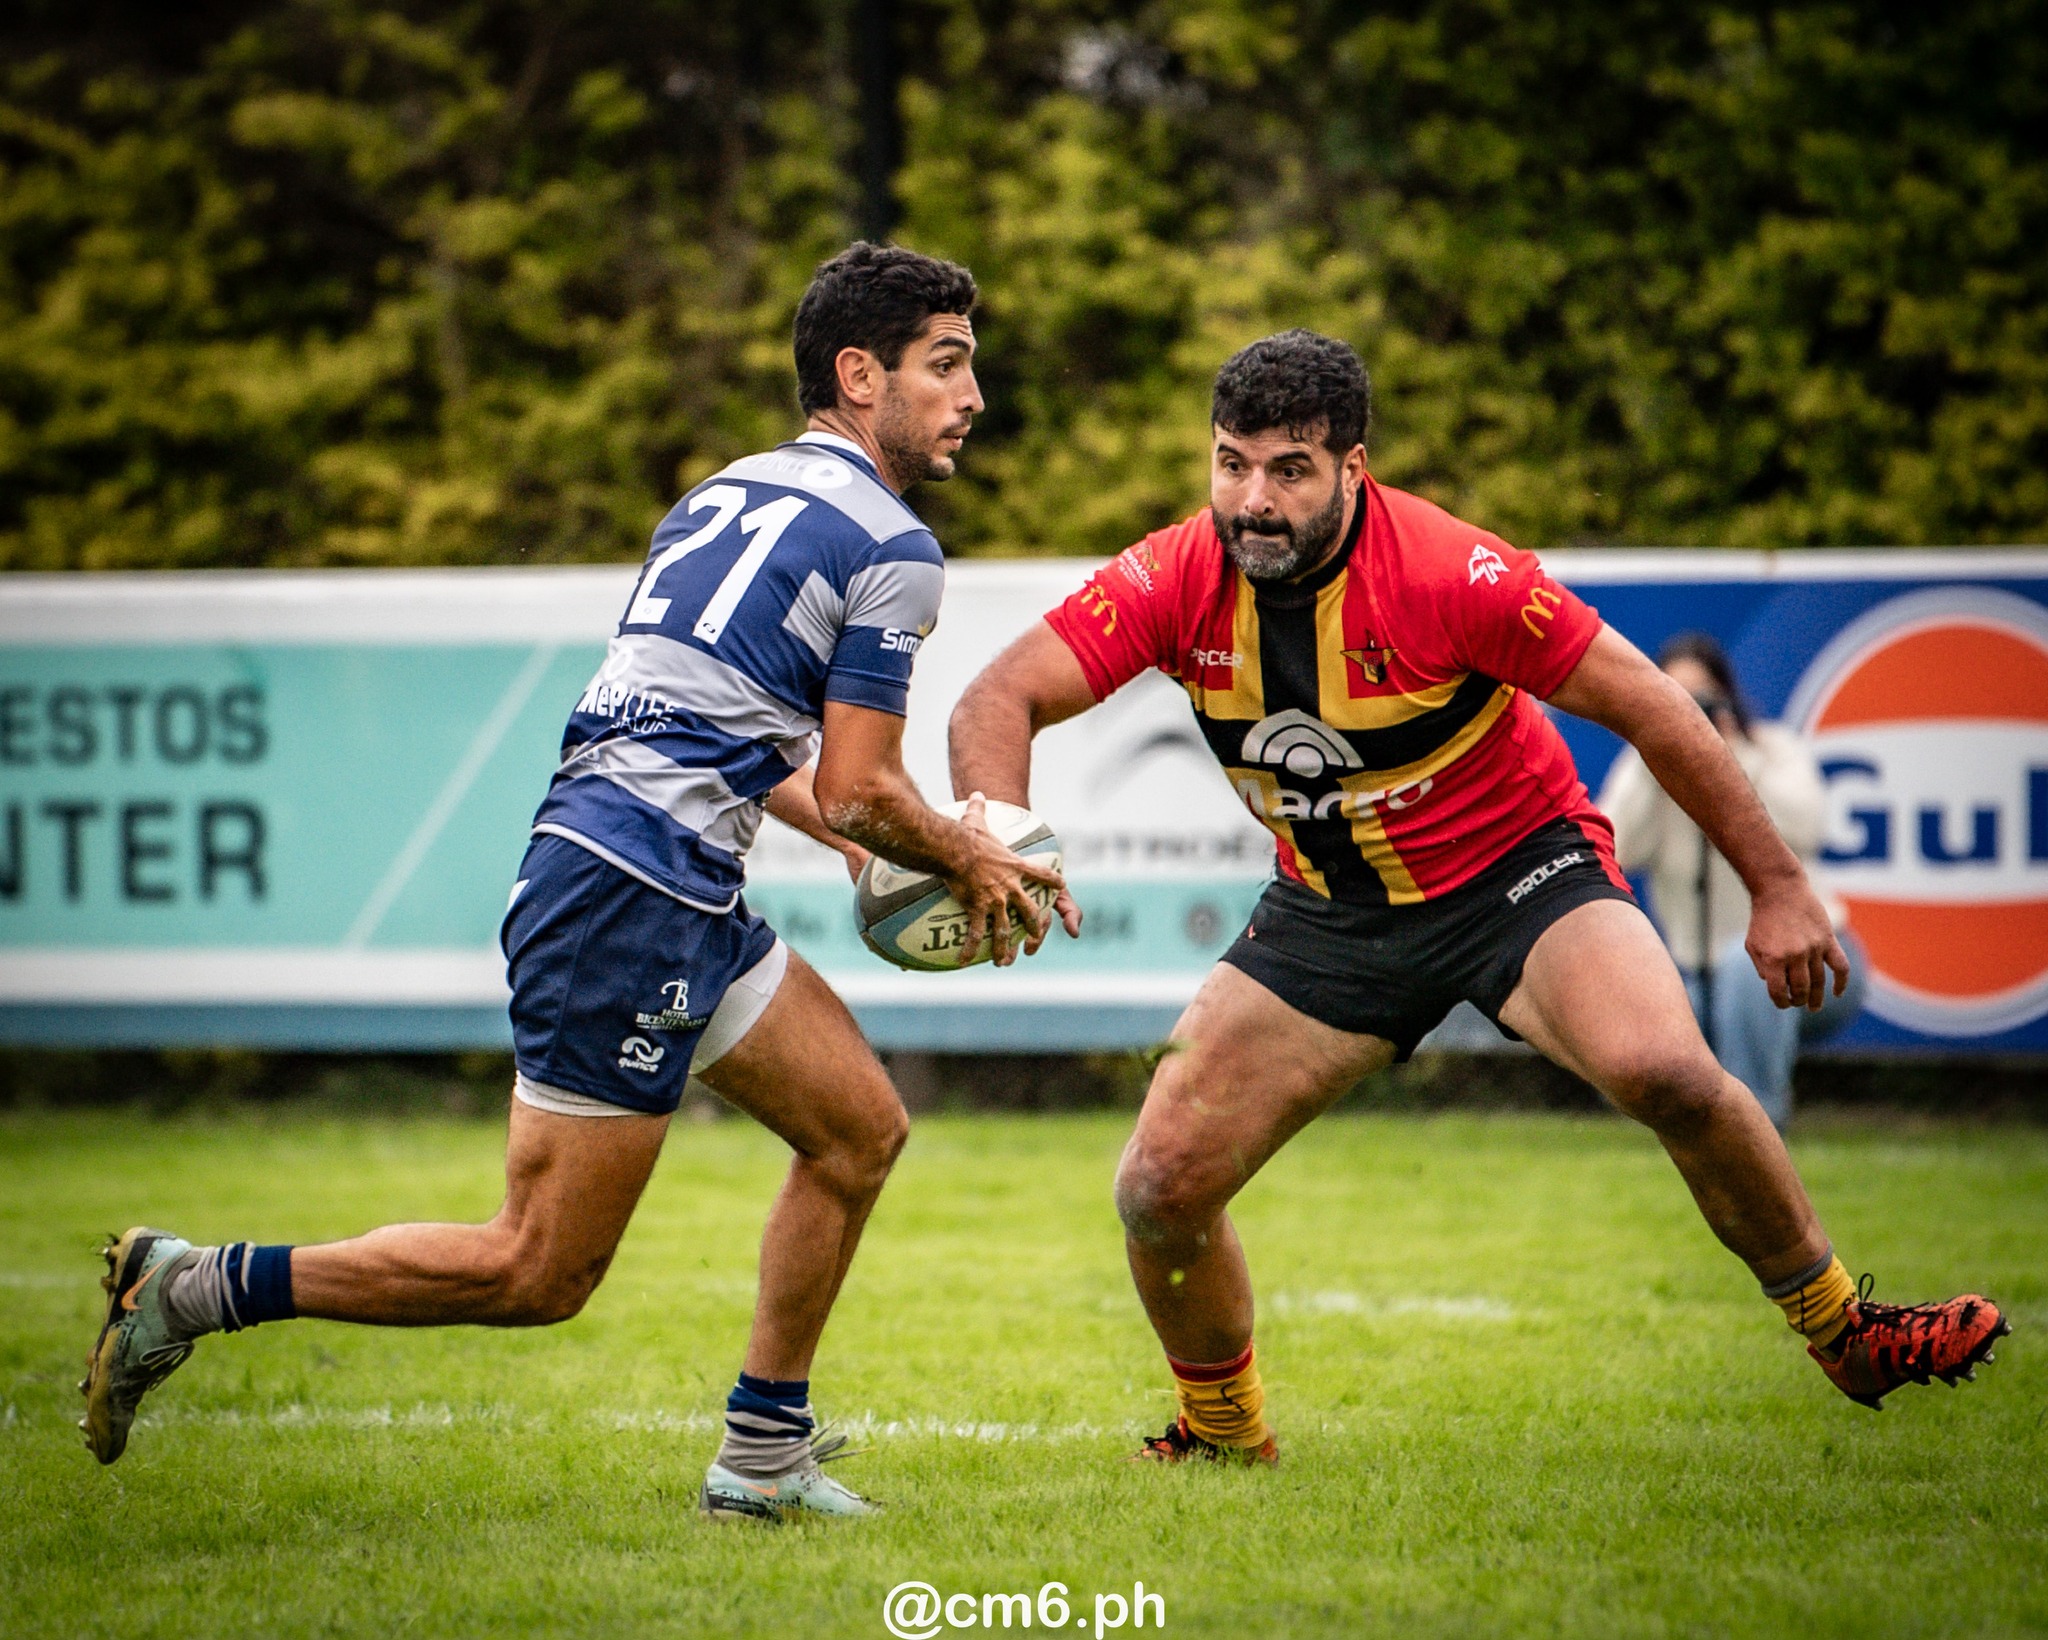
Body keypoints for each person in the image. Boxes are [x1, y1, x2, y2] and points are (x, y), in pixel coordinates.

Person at [80, 242, 1066, 1520]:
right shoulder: (892, 541)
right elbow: (866, 783)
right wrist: (965, 848)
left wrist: (859, 834)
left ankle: (761, 1458)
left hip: (655, 874)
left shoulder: (725, 494)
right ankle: (195, 1282)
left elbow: (720, 732)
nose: (972, 395)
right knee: (535, 1268)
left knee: (855, 1129)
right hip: (628, 894)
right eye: (947, 365)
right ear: (858, 372)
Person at [948, 329, 2006, 1464]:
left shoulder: (1452, 573)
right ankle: (1222, 1433)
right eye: (1229, 463)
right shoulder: (1172, 574)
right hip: (1330, 910)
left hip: (1519, 874)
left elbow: (1652, 706)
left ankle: (1844, 1329)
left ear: (1353, 467)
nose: (1251, 500)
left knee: (1666, 1071)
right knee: (1158, 1187)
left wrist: (1780, 886)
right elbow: (996, 698)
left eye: (1287, 470)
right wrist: (999, 834)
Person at [1600, 633, 1861, 1129]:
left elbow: (1809, 827)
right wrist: (1654, 751)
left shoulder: (1775, 749)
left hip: (1811, 963)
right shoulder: (1646, 764)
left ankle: (1759, 1129)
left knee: (1746, 972)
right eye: (1671, 698)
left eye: (1700, 698)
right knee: (1649, 1016)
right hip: (1695, 976)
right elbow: (1615, 849)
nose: (1688, 710)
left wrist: (1721, 759)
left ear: (1726, 694)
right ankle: (1705, 1137)